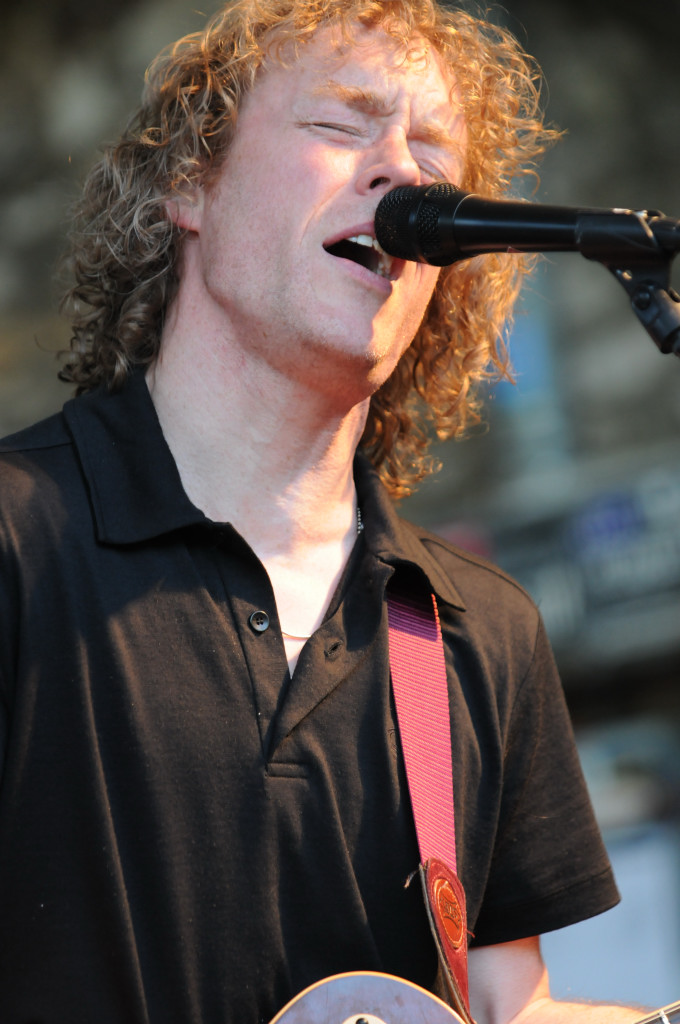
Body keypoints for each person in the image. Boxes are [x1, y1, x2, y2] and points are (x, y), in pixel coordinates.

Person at [0, 1, 653, 1022]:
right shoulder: (16, 540)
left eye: (432, 151)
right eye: (339, 125)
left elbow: (505, 1007)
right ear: (191, 182)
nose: (401, 171)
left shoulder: (476, 631)